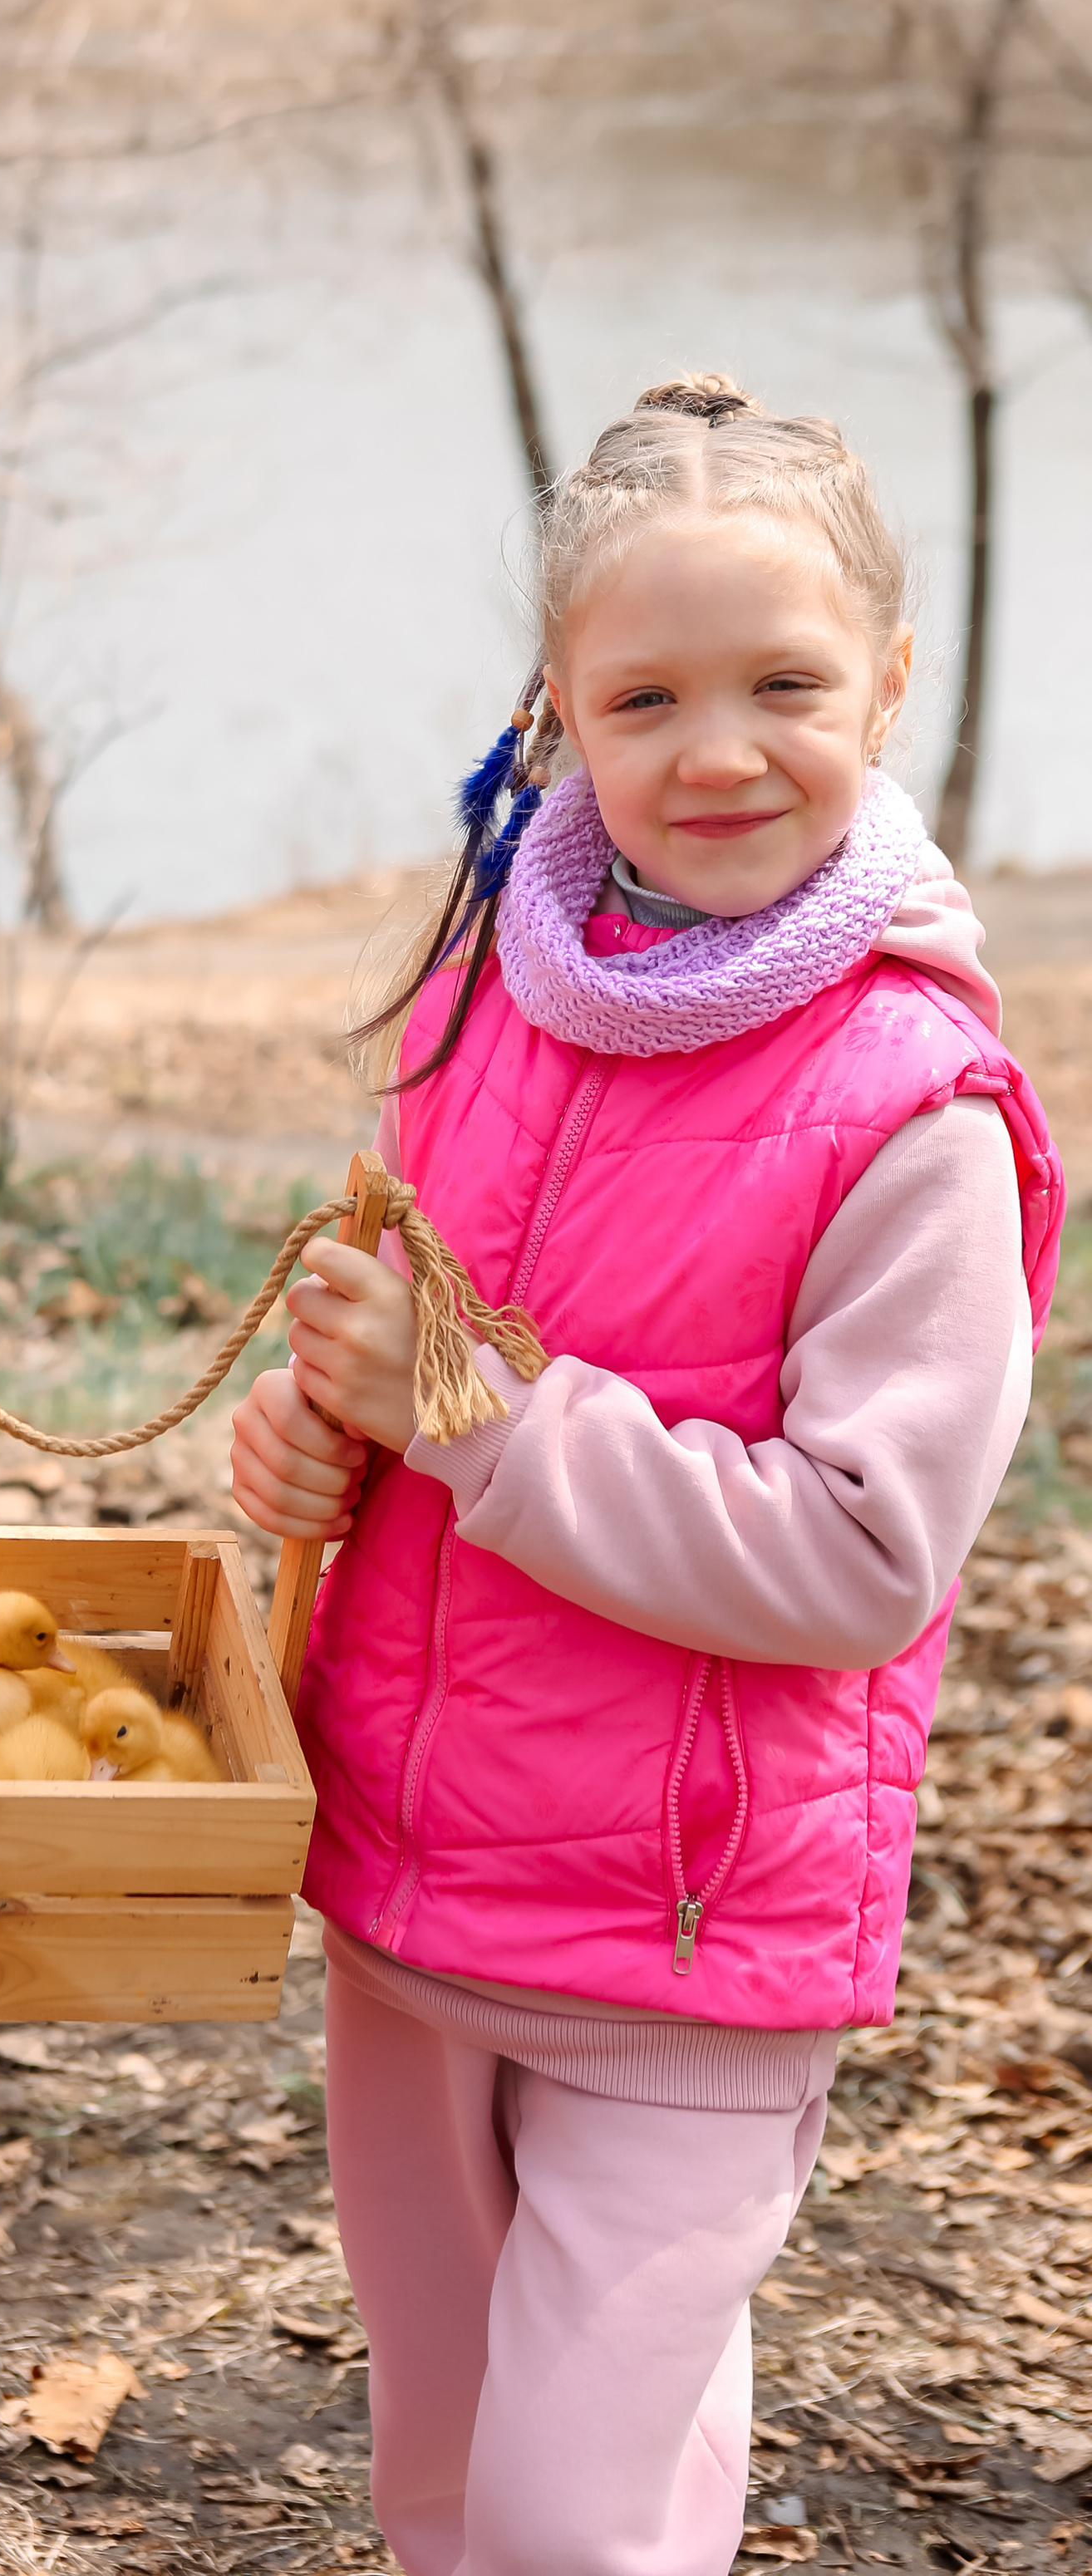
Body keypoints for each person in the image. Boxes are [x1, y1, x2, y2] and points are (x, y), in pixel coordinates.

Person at [230, 374, 1061, 2576]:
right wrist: (315, 1438)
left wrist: (475, 1418)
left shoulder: (918, 1108)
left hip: (684, 1943)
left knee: (565, 2533)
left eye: (785, 685)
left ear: (890, 678)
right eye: (647, 695)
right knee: (443, 2490)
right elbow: (393, 1373)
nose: (716, 753)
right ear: (559, 707)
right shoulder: (486, 997)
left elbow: (862, 1552)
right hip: (411, 1895)